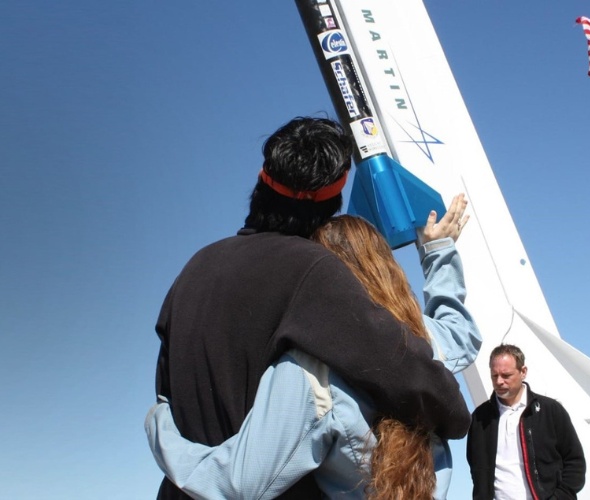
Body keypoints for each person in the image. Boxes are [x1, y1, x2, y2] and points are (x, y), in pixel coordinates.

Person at [153, 116, 470, 499]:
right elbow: (401, 365)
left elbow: (166, 393)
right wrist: (454, 410)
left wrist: (161, 436)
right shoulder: (311, 273)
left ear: (260, 179)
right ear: (332, 204)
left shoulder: (192, 271)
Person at [466, 344, 586, 500]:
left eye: (506, 375)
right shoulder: (480, 418)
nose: (499, 381)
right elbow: (476, 467)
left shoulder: (551, 410)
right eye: (494, 376)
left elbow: (574, 462)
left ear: (523, 372)